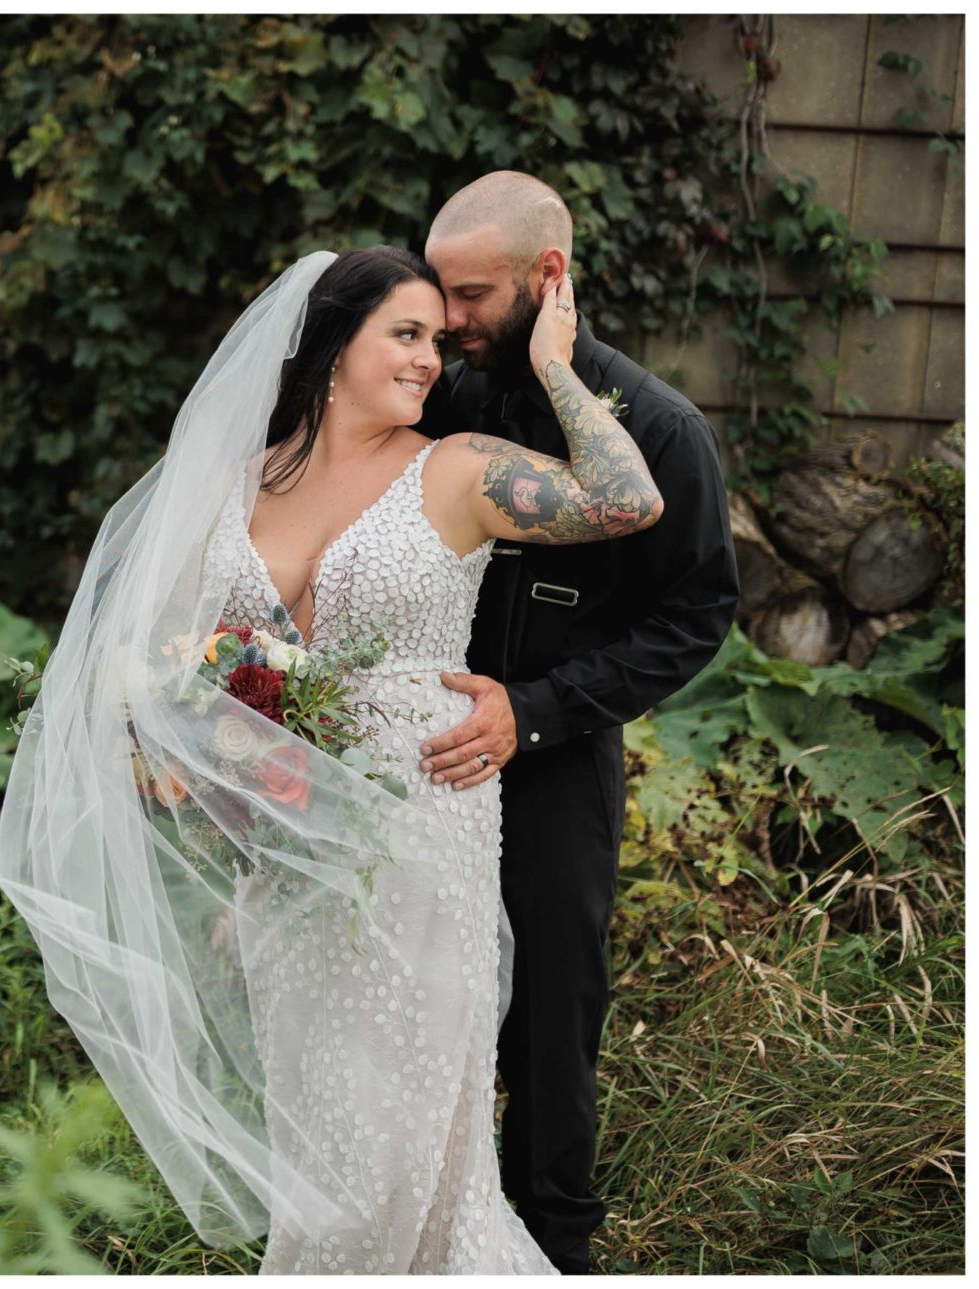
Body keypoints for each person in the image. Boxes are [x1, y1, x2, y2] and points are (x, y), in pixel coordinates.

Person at [0, 242, 665, 1274]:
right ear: (327, 345)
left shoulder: (459, 466)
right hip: (282, 838)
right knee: (320, 1116)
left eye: (438, 340)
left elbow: (629, 500)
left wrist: (557, 368)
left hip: (422, 820)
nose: (428, 360)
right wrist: (194, 767)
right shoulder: (227, 487)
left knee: (407, 1129)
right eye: (404, 334)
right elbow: (167, 664)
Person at [415, 171, 741, 1273]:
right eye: (439, 294)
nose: (448, 320)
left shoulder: (659, 428)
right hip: (414, 753)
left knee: (552, 1012)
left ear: (548, 277)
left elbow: (696, 613)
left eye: (470, 295)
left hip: (558, 758)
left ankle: (552, 1245)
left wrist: (541, 711)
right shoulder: (443, 395)